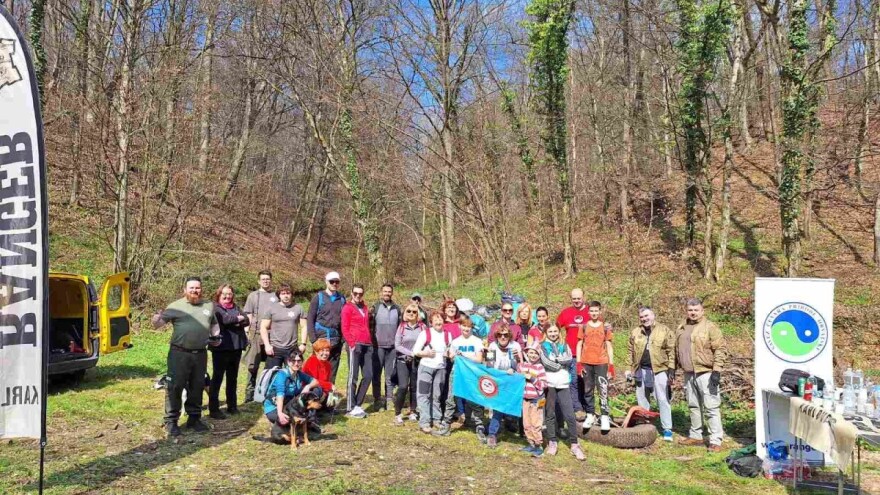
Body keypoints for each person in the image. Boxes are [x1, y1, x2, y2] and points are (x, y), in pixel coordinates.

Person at [151, 276, 220, 437]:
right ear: (185, 290)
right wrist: (156, 319)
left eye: (198, 288)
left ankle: (194, 418)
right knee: (175, 386)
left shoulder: (209, 305)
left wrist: (217, 336)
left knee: (197, 385)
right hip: (179, 354)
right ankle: (171, 421)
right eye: (192, 288)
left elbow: (214, 323)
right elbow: (158, 324)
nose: (195, 291)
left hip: (200, 353)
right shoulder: (175, 306)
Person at [676, 298, 726, 452]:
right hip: (689, 373)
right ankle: (696, 435)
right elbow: (677, 349)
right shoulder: (681, 327)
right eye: (690, 310)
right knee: (693, 405)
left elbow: (720, 348)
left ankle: (715, 439)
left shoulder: (710, 327)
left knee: (711, 407)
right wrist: (674, 367)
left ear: (702, 311)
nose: (693, 313)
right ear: (686, 311)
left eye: (696, 310)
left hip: (706, 372)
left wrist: (717, 370)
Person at [625, 306, 676, 442]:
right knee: (642, 399)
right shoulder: (636, 332)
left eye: (647, 316)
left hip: (659, 370)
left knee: (662, 399)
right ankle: (644, 425)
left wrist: (671, 369)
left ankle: (667, 429)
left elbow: (672, 350)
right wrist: (628, 368)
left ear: (653, 315)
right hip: (640, 369)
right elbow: (630, 350)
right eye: (642, 317)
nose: (644, 319)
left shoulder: (664, 330)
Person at [540, 325, 585, 461]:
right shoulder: (543, 346)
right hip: (550, 383)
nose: (553, 334)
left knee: (569, 415)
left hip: (563, 383)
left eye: (555, 331)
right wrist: (559, 364)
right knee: (550, 413)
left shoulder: (564, 345)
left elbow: (569, 359)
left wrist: (558, 360)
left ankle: (574, 444)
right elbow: (546, 362)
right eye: (550, 331)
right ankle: (552, 441)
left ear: (558, 332)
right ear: (546, 333)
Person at [436, 315, 485, 439]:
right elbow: (452, 358)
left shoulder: (477, 341)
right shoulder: (456, 341)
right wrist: (451, 355)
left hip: (472, 373)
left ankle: (479, 426)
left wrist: (463, 355)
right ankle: (446, 424)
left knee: (474, 399)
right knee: (451, 398)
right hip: (457, 373)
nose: (466, 329)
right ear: (460, 326)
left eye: (469, 326)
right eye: (464, 326)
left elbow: (479, 359)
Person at [209, 284, 249, 419]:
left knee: (233, 378)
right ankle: (214, 409)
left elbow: (247, 320)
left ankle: (232, 406)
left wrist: (238, 320)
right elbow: (224, 320)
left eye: (230, 294)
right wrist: (237, 319)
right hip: (220, 348)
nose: (227, 296)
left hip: (235, 347)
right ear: (219, 294)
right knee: (217, 378)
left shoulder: (236, 307)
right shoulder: (215, 308)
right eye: (224, 294)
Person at [263, 351, 321, 444]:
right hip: (274, 408)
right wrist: (280, 414)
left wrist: (308, 386)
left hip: (289, 406)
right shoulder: (282, 375)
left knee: (317, 390)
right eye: (293, 361)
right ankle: (287, 430)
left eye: (299, 361)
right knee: (288, 419)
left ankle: (309, 422)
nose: (296, 363)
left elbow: (316, 382)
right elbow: (280, 395)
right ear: (288, 362)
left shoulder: (299, 374)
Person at [576, 301, 614, 431]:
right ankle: (590, 414)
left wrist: (611, 365)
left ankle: (604, 416)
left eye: (596, 311)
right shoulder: (584, 326)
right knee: (588, 390)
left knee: (603, 390)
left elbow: (609, 345)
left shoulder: (605, 327)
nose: (594, 313)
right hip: (587, 362)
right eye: (591, 311)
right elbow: (579, 344)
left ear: (600, 311)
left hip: (601, 362)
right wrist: (579, 364)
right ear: (588, 312)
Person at [411, 311, 451, 434]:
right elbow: (415, 351)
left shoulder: (447, 334)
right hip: (426, 368)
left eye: (440, 320)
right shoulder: (425, 333)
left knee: (437, 395)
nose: (438, 322)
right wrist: (426, 353)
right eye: (436, 320)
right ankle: (424, 422)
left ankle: (437, 419)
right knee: (424, 395)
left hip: (440, 369)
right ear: (431, 322)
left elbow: (450, 350)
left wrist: (448, 354)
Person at [484, 321, 523, 448]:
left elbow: (521, 365)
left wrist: (517, 361)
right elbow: (489, 366)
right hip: (497, 380)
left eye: (505, 335)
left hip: (511, 381)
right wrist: (501, 373)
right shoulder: (492, 347)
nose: (503, 337)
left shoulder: (515, 346)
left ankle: (518, 429)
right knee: (498, 408)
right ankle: (492, 434)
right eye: (500, 335)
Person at [555, 288, 591, 418]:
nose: (576, 300)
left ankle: (588, 408)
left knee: (587, 382)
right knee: (574, 381)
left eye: (579, 298)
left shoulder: (590, 311)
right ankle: (577, 409)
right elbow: (556, 328)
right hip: (573, 354)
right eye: (574, 298)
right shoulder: (566, 312)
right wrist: (560, 342)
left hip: (589, 354)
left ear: (583, 298)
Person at [307, 271, 347, 383]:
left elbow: (344, 319)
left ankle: (328, 396)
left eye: (337, 282)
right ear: (326, 282)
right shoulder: (318, 298)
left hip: (336, 340)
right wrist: (313, 339)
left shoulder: (342, 299)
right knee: (318, 368)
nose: (334, 284)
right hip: (321, 338)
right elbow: (310, 318)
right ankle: (313, 395)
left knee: (332, 370)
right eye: (332, 281)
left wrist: (343, 338)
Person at [243, 270, 275, 403]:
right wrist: (246, 331)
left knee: (270, 366)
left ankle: (266, 394)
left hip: (271, 335)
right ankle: (249, 395)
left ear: (271, 280)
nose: (265, 281)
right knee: (252, 365)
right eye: (263, 279)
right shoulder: (253, 296)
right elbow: (248, 314)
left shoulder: (276, 296)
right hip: (255, 334)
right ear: (259, 281)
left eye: (268, 279)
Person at [394, 303, 427, 425]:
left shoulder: (423, 327)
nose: (411, 314)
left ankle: (413, 411)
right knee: (403, 387)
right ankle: (398, 413)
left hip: (417, 361)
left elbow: (427, 342)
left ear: (418, 314)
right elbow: (397, 345)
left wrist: (420, 354)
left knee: (414, 387)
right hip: (403, 360)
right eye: (409, 311)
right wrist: (412, 353)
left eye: (414, 312)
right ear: (405, 313)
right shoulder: (401, 327)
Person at [370, 283, 402, 409]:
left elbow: (400, 327)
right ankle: (377, 399)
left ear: (392, 293)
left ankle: (389, 399)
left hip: (392, 347)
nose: (387, 293)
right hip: (378, 347)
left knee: (390, 375)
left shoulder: (397, 308)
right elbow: (370, 326)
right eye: (385, 291)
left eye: (389, 291)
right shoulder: (375, 307)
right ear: (381, 292)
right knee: (376, 374)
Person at [342, 284, 372, 418]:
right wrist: (351, 343)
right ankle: (350, 406)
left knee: (368, 375)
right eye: (355, 293)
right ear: (351, 293)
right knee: (353, 376)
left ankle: (358, 404)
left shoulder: (365, 307)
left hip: (367, 344)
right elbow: (344, 327)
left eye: (360, 293)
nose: (358, 295)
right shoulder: (347, 308)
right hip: (355, 344)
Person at [260, 283, 306, 369]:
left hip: (292, 348)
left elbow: (304, 326)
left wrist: (303, 344)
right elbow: (263, 327)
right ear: (279, 295)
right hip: (275, 349)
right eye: (283, 293)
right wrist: (267, 345)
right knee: (272, 375)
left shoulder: (298, 308)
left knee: (293, 374)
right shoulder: (272, 308)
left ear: (291, 294)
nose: (286, 296)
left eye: (288, 293)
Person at [520, 341, 548, 456]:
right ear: (527, 353)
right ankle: (530, 443)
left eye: (535, 353)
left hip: (537, 399)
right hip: (525, 399)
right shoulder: (523, 366)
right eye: (531, 353)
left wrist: (532, 378)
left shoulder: (540, 367)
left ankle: (538, 445)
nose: (533, 355)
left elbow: (544, 384)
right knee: (526, 423)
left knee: (536, 423)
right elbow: (516, 378)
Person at [302, 338, 337, 407]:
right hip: (309, 389)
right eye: (322, 351)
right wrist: (329, 385)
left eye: (327, 350)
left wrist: (326, 392)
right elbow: (314, 381)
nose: (325, 353)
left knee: (332, 396)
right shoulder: (312, 361)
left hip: (321, 389)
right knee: (317, 390)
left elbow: (326, 381)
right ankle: (311, 411)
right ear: (316, 352)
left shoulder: (328, 365)